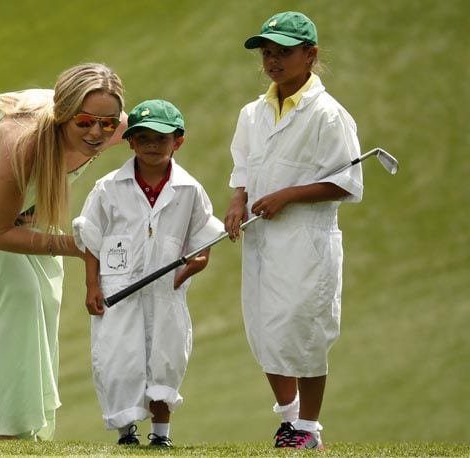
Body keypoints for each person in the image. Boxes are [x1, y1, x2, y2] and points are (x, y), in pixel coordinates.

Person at [0, 63, 126, 440]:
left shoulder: (118, 128)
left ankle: (27, 425)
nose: (97, 132)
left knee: (45, 293)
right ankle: (7, 432)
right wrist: (78, 246)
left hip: (17, 190)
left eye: (107, 123)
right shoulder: (25, 145)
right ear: (64, 116)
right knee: (19, 293)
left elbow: (160, 144)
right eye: (84, 122)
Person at [224, 12, 364, 449]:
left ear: (311, 55)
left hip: (308, 239)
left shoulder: (328, 114)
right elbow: (243, 165)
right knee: (264, 329)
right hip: (261, 237)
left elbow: (346, 183)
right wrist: (236, 200)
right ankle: (288, 421)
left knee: (304, 332)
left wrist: (287, 196)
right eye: (268, 53)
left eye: (284, 52)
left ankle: (308, 428)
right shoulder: (253, 112)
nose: (273, 61)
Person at [72, 99, 224, 448]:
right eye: (143, 138)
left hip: (165, 292)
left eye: (161, 138)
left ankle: (161, 436)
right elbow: (91, 239)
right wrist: (91, 285)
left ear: (178, 142)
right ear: (130, 142)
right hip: (118, 289)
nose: (152, 146)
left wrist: (190, 270)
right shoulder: (108, 187)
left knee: (165, 360)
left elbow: (203, 238)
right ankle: (126, 434)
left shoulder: (190, 190)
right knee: (119, 361)